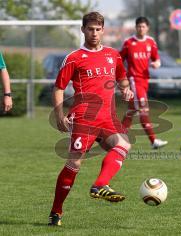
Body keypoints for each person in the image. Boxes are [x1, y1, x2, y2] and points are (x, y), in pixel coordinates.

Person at [48, 12, 134, 226]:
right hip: (84, 118)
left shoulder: (113, 55)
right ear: (83, 30)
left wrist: (127, 91)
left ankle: (100, 185)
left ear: (103, 30)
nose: (94, 33)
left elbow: (122, 80)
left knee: (123, 144)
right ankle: (56, 212)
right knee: (74, 162)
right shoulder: (75, 57)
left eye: (98, 29)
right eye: (90, 29)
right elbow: (59, 87)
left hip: (107, 116)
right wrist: (59, 114)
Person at [119, 16, 168, 149]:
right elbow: (119, 59)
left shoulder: (151, 42)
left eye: (143, 26)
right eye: (139, 26)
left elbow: (156, 58)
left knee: (132, 110)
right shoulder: (129, 42)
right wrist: (122, 76)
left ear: (147, 28)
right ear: (136, 28)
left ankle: (117, 137)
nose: (141, 29)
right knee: (144, 110)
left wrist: (157, 63)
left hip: (145, 80)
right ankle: (153, 141)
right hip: (134, 80)